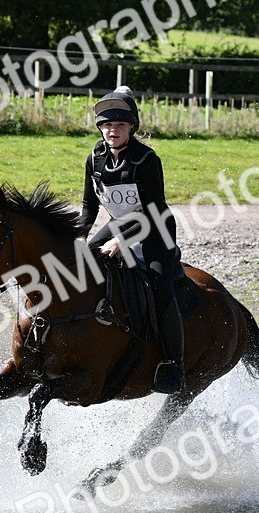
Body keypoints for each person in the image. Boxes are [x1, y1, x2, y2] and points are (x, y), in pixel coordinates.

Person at [77, 86, 185, 394]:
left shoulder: (146, 159)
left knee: (160, 289)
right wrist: (79, 237)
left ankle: (174, 366)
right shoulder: (95, 158)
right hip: (119, 223)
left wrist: (121, 243)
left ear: (132, 128)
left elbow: (152, 213)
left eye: (120, 125)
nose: (113, 130)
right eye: (108, 125)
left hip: (155, 228)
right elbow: (89, 206)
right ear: (100, 128)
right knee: (84, 263)